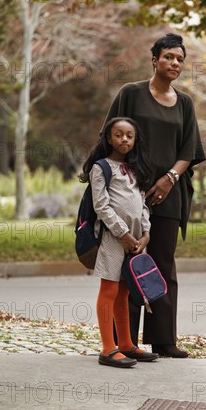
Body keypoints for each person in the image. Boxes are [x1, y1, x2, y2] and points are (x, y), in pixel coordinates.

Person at [100, 33, 206, 358]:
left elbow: (189, 149)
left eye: (180, 59)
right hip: (130, 194)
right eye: (169, 57)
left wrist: (170, 178)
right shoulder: (131, 94)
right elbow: (111, 134)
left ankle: (164, 339)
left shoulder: (185, 103)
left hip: (169, 195)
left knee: (162, 263)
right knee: (129, 264)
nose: (175, 63)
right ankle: (124, 341)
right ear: (154, 60)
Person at [79, 117, 159, 367]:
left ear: (135, 140)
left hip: (135, 239)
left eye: (129, 136)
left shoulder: (135, 169)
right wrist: (123, 234)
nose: (124, 139)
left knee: (124, 291)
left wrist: (145, 234)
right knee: (110, 290)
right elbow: (101, 206)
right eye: (119, 134)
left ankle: (126, 344)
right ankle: (107, 348)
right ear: (108, 138)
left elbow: (142, 204)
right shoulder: (101, 168)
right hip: (112, 238)